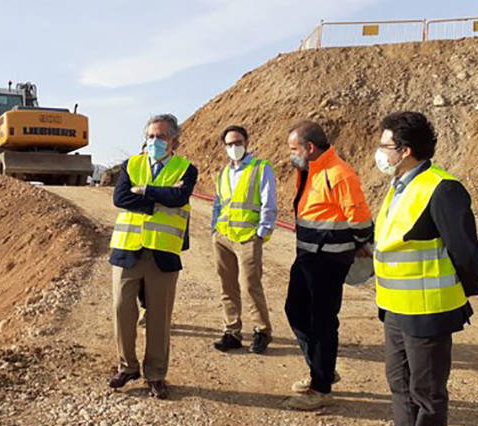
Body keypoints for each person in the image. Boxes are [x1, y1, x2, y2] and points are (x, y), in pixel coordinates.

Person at [363, 111, 478, 426]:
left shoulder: (442, 188)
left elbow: (466, 251)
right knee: (399, 384)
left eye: (385, 146)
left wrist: (457, 298)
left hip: (428, 311)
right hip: (395, 307)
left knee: (427, 392)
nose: (380, 153)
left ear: (406, 150)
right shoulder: (399, 185)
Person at [283, 120, 374, 410]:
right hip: (308, 256)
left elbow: (360, 219)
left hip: (328, 259)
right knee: (295, 309)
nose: (290, 154)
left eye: (294, 148)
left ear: (310, 148)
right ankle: (321, 368)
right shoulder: (310, 170)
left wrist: (359, 244)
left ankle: (321, 388)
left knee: (322, 320)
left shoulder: (339, 174)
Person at [108, 114, 198, 399]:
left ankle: (156, 374)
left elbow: (178, 198)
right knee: (123, 310)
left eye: (160, 137)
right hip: (128, 250)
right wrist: (160, 197)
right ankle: (127, 366)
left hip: (162, 254)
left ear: (173, 140)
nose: (154, 142)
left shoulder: (187, 168)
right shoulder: (131, 164)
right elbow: (121, 198)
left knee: (159, 318)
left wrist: (145, 191)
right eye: (150, 136)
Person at [210, 125, 277, 354]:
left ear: (246, 142)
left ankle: (262, 331)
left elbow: (269, 202)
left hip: (249, 236)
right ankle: (232, 331)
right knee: (227, 286)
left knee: (250, 285)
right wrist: (214, 230)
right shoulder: (223, 173)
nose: (234, 147)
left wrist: (262, 232)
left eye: (238, 142)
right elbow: (219, 204)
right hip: (224, 236)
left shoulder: (261, 168)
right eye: (229, 144)